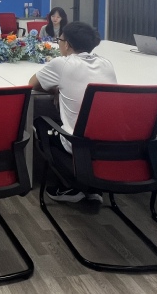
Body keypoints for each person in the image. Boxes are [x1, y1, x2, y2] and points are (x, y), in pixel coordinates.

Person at [29, 21, 116, 203]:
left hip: (77, 142)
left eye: (59, 40)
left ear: (67, 44)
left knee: (39, 122)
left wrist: (56, 88)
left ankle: (71, 184)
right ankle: (93, 181)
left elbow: (32, 84)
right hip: (109, 141)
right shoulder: (106, 63)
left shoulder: (62, 64)